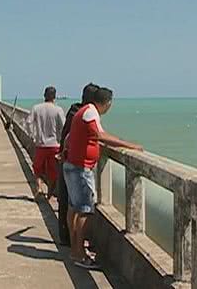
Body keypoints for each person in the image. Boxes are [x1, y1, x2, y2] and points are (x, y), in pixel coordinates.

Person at [63, 87, 143, 269]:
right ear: (107, 103)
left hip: (71, 166)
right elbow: (100, 135)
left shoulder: (82, 111)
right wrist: (129, 144)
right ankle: (79, 253)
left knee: (74, 208)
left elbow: (69, 137)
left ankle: (74, 249)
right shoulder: (91, 112)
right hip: (80, 169)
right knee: (84, 210)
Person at [56, 83, 99, 246]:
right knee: (75, 205)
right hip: (73, 163)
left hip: (67, 160)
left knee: (69, 203)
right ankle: (74, 243)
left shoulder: (74, 111)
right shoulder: (83, 114)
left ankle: (69, 240)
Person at [26, 86, 65, 201]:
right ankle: (49, 194)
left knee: (37, 169)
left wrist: (33, 136)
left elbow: (28, 122)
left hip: (40, 145)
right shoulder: (58, 110)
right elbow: (64, 126)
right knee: (53, 172)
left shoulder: (36, 108)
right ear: (55, 97)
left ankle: (39, 187)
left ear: (44, 95)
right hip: (55, 145)